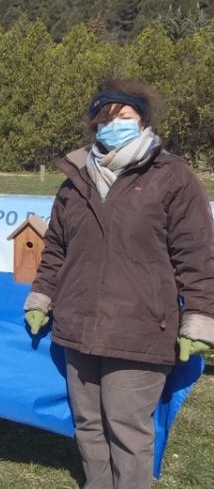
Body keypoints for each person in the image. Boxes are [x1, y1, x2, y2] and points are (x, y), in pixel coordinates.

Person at [23, 79, 214, 488]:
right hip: (77, 326)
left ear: (142, 120)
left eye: (124, 116)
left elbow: (197, 255)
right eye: (105, 119)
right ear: (94, 127)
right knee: (88, 424)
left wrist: (198, 319)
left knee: (128, 428)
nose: (114, 125)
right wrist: (41, 297)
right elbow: (56, 248)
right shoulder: (75, 180)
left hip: (140, 327)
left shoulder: (173, 176)